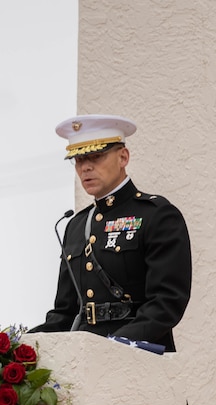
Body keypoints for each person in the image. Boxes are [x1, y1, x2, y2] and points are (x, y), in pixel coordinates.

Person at [30, 114, 192, 352]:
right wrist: (17, 345)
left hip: (138, 358)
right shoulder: (76, 225)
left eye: (96, 156)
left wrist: (113, 347)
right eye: (78, 159)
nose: (85, 167)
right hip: (84, 359)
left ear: (123, 157)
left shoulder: (156, 215)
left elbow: (166, 302)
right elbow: (64, 313)